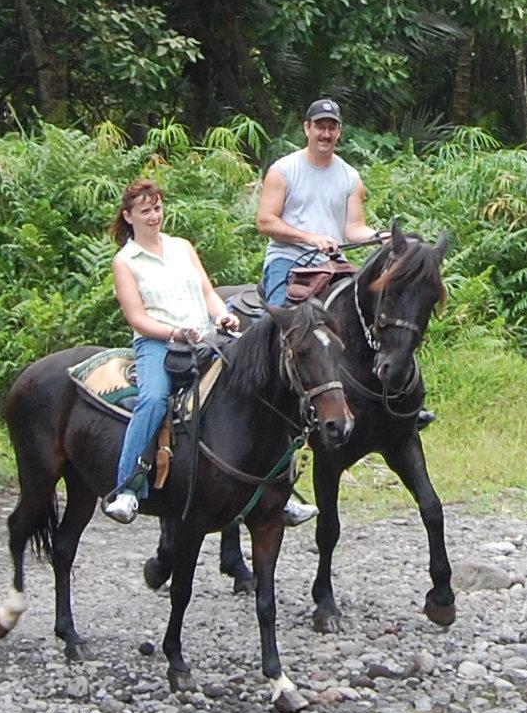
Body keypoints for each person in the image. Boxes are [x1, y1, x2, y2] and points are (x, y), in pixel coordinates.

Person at [101, 179, 242, 523]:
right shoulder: (126, 262)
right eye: (145, 210)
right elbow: (137, 317)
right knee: (153, 399)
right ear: (129, 216)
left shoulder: (181, 247)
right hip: (158, 344)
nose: (154, 216)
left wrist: (223, 315)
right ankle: (128, 488)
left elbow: (208, 292)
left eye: (158, 208)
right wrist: (174, 331)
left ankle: (275, 487)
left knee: (258, 380)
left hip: (205, 337)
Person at [255, 98, 377, 307]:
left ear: (339, 131)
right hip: (287, 260)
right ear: (307, 128)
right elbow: (265, 221)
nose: (326, 134)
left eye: (332, 128)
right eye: (320, 127)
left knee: (363, 310)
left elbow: (354, 228)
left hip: (332, 264)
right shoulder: (283, 170)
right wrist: (310, 238)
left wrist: (380, 236)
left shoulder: (351, 177)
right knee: (282, 319)